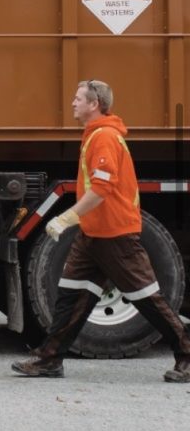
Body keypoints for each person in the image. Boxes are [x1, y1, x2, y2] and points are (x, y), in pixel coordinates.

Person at [12, 79, 190, 382]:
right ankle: (50, 359)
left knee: (147, 298)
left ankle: (186, 354)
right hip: (93, 234)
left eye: (78, 98)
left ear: (94, 104)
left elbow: (101, 189)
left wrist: (66, 218)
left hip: (115, 235)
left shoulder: (104, 137)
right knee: (71, 297)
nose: (73, 103)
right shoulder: (95, 135)